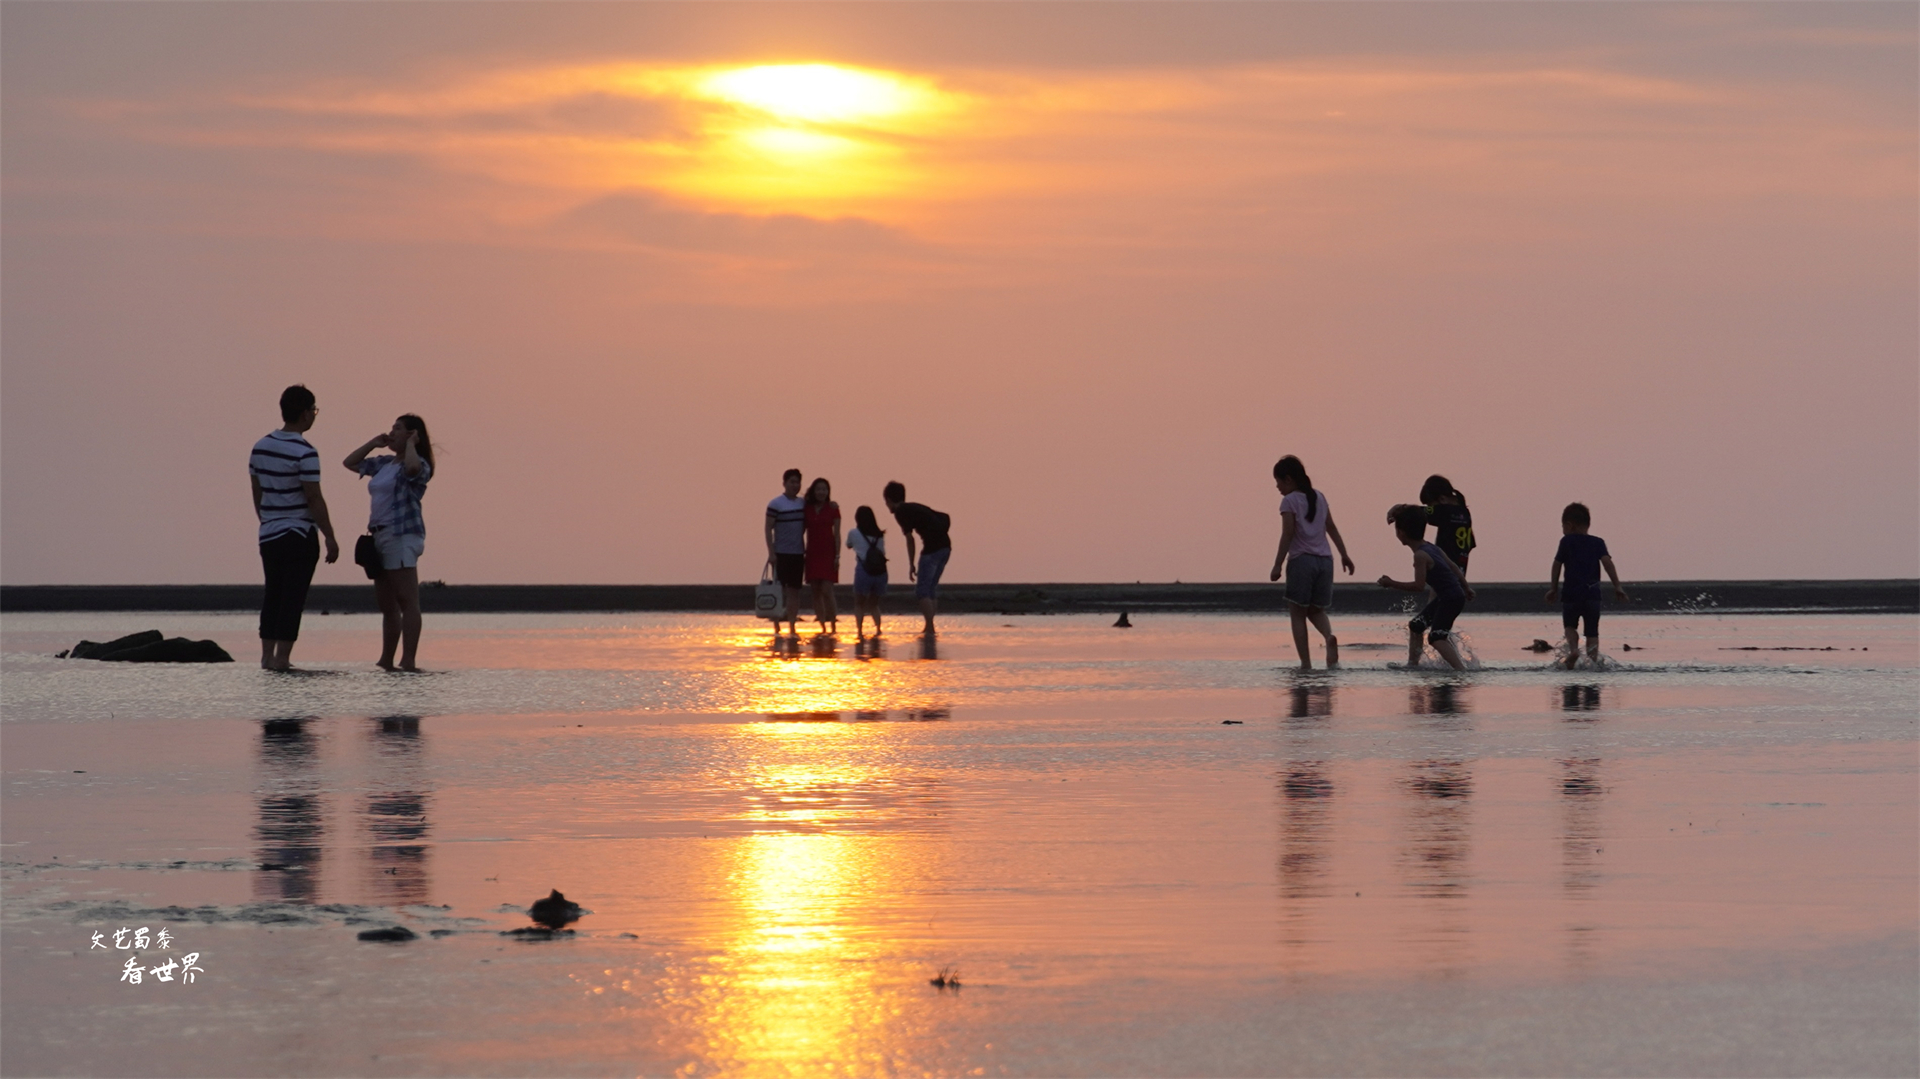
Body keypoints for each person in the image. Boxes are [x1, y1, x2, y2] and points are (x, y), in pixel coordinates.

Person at [250, 385, 340, 670]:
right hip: (299, 533)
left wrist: (266, 520)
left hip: (269, 533)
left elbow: (257, 490)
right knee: (293, 596)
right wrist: (330, 536)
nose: (314, 416)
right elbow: (313, 497)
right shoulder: (305, 451)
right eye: (313, 410)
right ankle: (283, 659)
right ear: (303, 413)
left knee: (273, 593)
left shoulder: (260, 446)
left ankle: (267, 657)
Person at [343, 415, 434, 671]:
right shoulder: (384, 463)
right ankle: (386, 659)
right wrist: (373, 443)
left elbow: (414, 470)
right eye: (392, 427)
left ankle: (408, 660)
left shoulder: (417, 462)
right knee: (387, 604)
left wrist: (412, 446)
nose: (392, 432)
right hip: (379, 536)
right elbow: (350, 463)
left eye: (398, 428)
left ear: (411, 434)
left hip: (402, 534)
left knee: (407, 599)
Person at [1269, 456, 1355, 669]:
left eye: (1278, 481)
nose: (1277, 486)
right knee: (1316, 610)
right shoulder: (1319, 497)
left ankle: (1306, 664)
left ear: (1288, 479)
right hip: (1326, 562)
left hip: (1302, 561)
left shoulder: (1289, 501)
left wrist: (1277, 564)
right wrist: (1344, 555)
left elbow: (1287, 534)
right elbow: (1331, 527)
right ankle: (1328, 637)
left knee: (1297, 613)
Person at [1379, 504, 1476, 670]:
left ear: (1400, 533)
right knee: (1416, 626)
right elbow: (1454, 567)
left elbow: (1418, 586)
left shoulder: (1420, 555)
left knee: (1436, 638)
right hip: (1450, 596)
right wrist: (1466, 588)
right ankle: (1412, 665)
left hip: (1450, 599)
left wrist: (1391, 583)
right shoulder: (1432, 547)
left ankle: (1461, 670)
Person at [1546, 502, 1628, 669]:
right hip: (1592, 594)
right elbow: (1607, 563)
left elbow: (1556, 565)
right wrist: (1617, 586)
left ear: (1569, 525)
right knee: (1592, 632)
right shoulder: (1598, 542)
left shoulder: (1566, 541)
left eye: (1563, 526)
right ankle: (1593, 662)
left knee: (1570, 626)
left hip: (1571, 593)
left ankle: (1574, 650)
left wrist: (1553, 588)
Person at [883, 481, 951, 636]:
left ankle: (930, 627)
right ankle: (929, 627)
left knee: (922, 591)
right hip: (945, 547)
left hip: (932, 550)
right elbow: (944, 517)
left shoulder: (900, 512)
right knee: (931, 588)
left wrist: (911, 564)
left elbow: (909, 539)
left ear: (888, 500)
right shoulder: (914, 507)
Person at [764, 469, 806, 634]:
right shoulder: (775, 504)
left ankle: (792, 626)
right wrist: (771, 552)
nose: (795, 485)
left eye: (797, 482)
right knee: (778, 590)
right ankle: (776, 626)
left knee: (794, 591)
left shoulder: (803, 503)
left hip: (798, 553)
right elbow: (768, 528)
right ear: (784, 483)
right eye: (792, 482)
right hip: (780, 553)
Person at [803, 477, 842, 633]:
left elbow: (837, 534)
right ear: (814, 491)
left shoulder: (833, 509)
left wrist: (837, 556)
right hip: (812, 552)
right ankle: (822, 626)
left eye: (824, 489)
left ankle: (833, 625)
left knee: (827, 590)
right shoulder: (807, 508)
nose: (821, 492)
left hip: (828, 553)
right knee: (815, 591)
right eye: (819, 489)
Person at [1419, 475, 1476, 579]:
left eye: (1430, 505)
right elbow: (1471, 544)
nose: (1429, 509)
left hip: (1447, 573)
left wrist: (1400, 508)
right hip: (1460, 570)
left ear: (1442, 499)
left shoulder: (1446, 512)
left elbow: (1418, 512)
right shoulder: (1464, 513)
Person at [846, 505, 888, 639]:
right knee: (874, 604)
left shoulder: (853, 533)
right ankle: (878, 629)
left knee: (859, 603)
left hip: (864, 571)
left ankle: (859, 631)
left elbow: (848, 545)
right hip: (881, 573)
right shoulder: (879, 535)